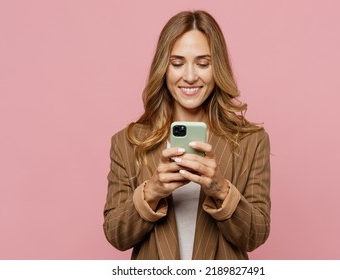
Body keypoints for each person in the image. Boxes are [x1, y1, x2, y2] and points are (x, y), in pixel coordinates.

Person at [103, 10, 271, 260]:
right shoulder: (127, 143)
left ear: (218, 68)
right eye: (177, 63)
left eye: (203, 64)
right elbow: (116, 235)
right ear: (164, 68)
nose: (190, 76)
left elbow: (255, 235)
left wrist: (220, 188)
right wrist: (152, 191)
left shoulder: (251, 140)